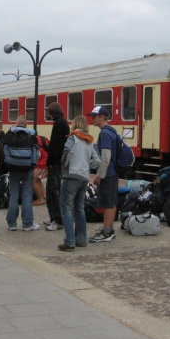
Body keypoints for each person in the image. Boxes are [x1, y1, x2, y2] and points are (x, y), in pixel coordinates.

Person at [58, 115, 100, 250]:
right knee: (79, 209)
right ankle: (81, 239)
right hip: (83, 178)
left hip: (71, 176)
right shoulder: (89, 141)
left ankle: (69, 241)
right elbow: (97, 161)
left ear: (75, 125)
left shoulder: (73, 138)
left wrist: (64, 164)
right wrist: (88, 166)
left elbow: (67, 151)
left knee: (66, 208)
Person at [87, 106, 119, 242]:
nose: (92, 118)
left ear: (103, 117)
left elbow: (106, 157)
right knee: (111, 201)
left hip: (108, 173)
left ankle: (106, 233)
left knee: (108, 203)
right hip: (113, 172)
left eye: (95, 116)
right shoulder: (112, 131)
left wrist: (99, 176)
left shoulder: (105, 133)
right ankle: (109, 229)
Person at [4, 115, 40, 231]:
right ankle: (27, 224)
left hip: (13, 168)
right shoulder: (31, 135)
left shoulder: (10, 134)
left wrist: (7, 163)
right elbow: (35, 153)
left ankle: (12, 224)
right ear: (26, 125)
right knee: (27, 196)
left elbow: (5, 151)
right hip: (27, 169)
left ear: (16, 123)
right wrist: (33, 165)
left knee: (13, 195)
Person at [44, 102, 70, 231]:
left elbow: (55, 145)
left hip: (55, 162)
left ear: (52, 112)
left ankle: (57, 219)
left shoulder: (58, 124)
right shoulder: (63, 123)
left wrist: (49, 162)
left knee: (52, 191)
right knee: (54, 190)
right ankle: (54, 217)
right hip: (59, 162)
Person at [32, 134, 49, 206]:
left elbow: (38, 154)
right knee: (38, 180)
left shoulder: (35, 142)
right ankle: (44, 198)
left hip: (40, 164)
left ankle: (40, 198)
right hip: (46, 162)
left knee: (33, 181)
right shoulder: (42, 138)